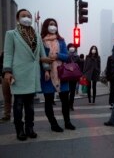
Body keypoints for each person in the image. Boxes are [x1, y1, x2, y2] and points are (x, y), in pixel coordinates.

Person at [3, 9, 51, 141]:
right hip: (18, 74)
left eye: (29, 16)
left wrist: (46, 69)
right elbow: (8, 54)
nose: (27, 18)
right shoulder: (11, 34)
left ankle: (30, 128)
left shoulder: (36, 35)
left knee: (30, 105)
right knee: (18, 104)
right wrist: (7, 71)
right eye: (24, 16)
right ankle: (19, 130)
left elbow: (42, 54)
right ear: (18, 19)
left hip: (32, 75)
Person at [40, 18, 75, 132]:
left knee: (65, 100)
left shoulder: (61, 40)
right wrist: (45, 60)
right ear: (46, 26)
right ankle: (53, 124)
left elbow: (67, 56)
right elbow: (38, 57)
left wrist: (57, 55)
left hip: (61, 73)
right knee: (49, 101)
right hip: (47, 74)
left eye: (54, 24)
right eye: (50, 24)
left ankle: (67, 122)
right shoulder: (40, 41)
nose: (53, 26)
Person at [67, 43, 80, 111]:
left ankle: (71, 105)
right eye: (70, 47)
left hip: (74, 76)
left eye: (73, 47)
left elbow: (79, 66)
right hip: (66, 76)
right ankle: (67, 104)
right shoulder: (65, 56)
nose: (71, 48)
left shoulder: (77, 57)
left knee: (72, 92)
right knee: (67, 91)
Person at [0, 51, 12, 123]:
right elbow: (0, 63)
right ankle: (7, 115)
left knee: (19, 98)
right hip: (5, 76)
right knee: (7, 97)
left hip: (17, 76)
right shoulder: (5, 52)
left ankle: (19, 116)